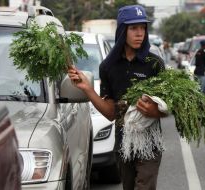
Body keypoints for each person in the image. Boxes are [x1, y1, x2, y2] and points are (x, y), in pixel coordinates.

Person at [68, 4, 166, 190]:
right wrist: (87, 89)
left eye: (143, 28)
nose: (140, 33)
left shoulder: (154, 64)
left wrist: (157, 111)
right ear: (122, 31)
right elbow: (111, 113)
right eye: (133, 28)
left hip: (150, 146)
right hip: (123, 144)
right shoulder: (108, 66)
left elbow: (169, 106)